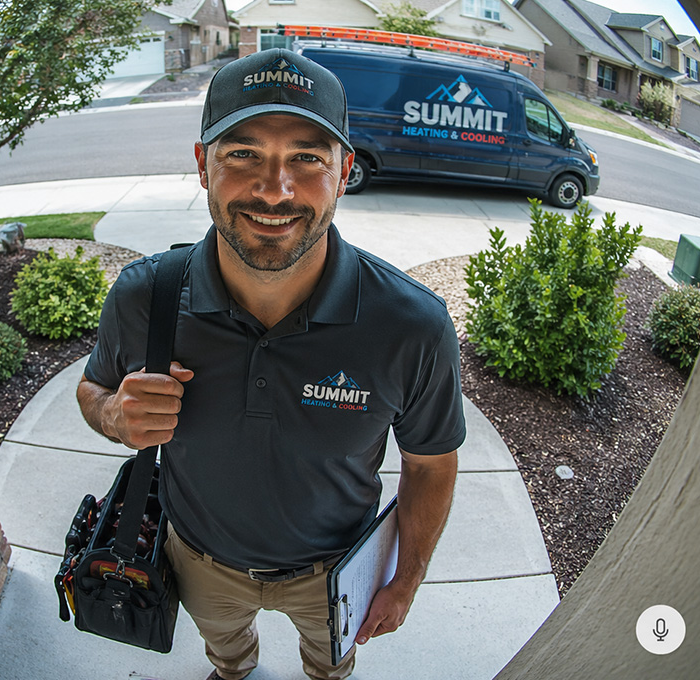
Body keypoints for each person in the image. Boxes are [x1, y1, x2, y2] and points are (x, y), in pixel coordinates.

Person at [76, 48, 465, 680]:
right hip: (199, 562)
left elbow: (431, 464)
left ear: (344, 173)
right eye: (243, 154)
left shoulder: (412, 326)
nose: (274, 189)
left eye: (307, 158)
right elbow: (92, 389)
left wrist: (405, 580)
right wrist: (116, 414)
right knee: (227, 659)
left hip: (335, 573)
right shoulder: (145, 297)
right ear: (203, 166)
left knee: (330, 666)